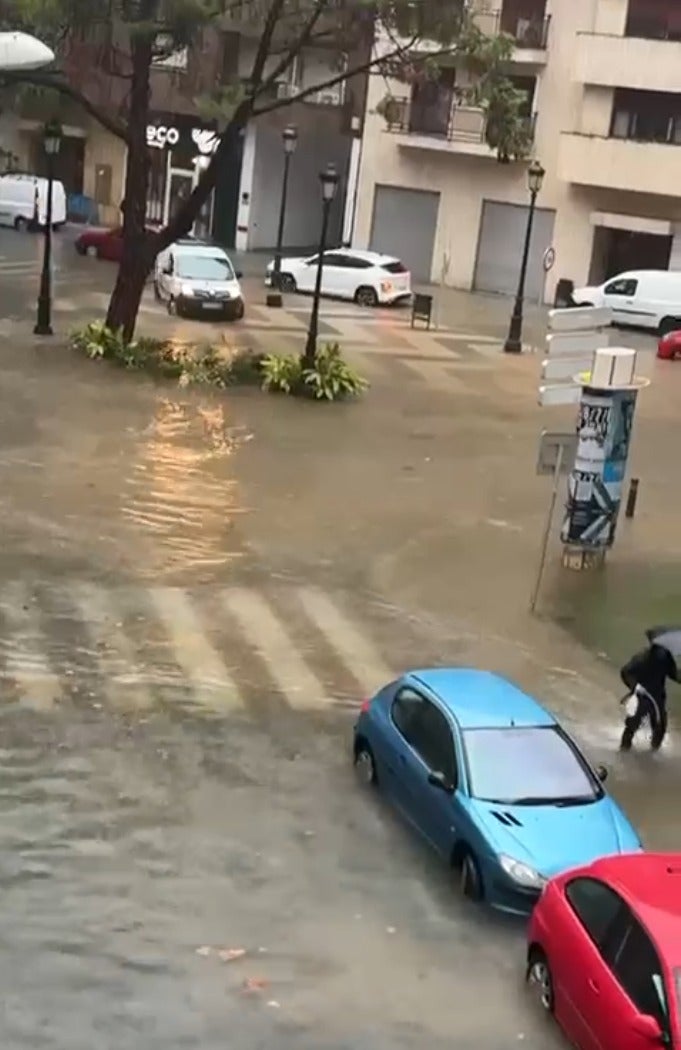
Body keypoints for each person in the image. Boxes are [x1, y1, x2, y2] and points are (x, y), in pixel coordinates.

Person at [619, 643, 678, 752]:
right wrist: (634, 687)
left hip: (657, 698)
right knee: (632, 726)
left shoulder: (666, 657)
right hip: (643, 696)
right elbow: (625, 672)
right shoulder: (643, 658)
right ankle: (624, 751)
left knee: (659, 728)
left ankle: (652, 753)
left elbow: (674, 675)